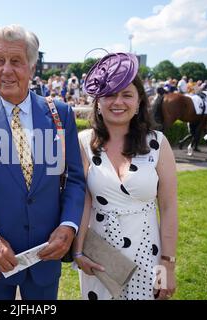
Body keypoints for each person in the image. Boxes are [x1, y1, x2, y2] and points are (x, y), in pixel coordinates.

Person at [0, 24, 86, 300]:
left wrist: (68, 226)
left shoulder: (60, 115)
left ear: (32, 67)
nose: (6, 70)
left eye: (16, 61)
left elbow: (74, 178)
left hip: (46, 256)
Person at [72, 52, 178, 300]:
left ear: (139, 101)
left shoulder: (158, 144)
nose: (117, 101)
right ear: (98, 101)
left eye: (126, 94)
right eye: (109, 94)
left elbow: (169, 206)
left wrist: (167, 265)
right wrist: (78, 253)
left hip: (147, 253)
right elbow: (83, 201)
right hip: (99, 258)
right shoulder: (83, 143)